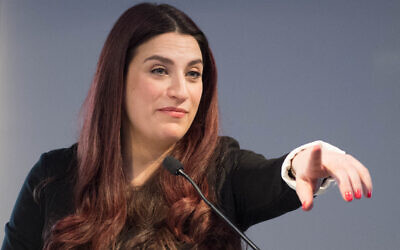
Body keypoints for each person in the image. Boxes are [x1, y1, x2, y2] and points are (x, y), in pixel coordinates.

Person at [1, 3, 373, 250]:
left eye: (194, 74)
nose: (181, 91)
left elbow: (270, 175)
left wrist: (299, 164)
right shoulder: (53, 177)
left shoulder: (221, 168)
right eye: (159, 70)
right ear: (118, 79)